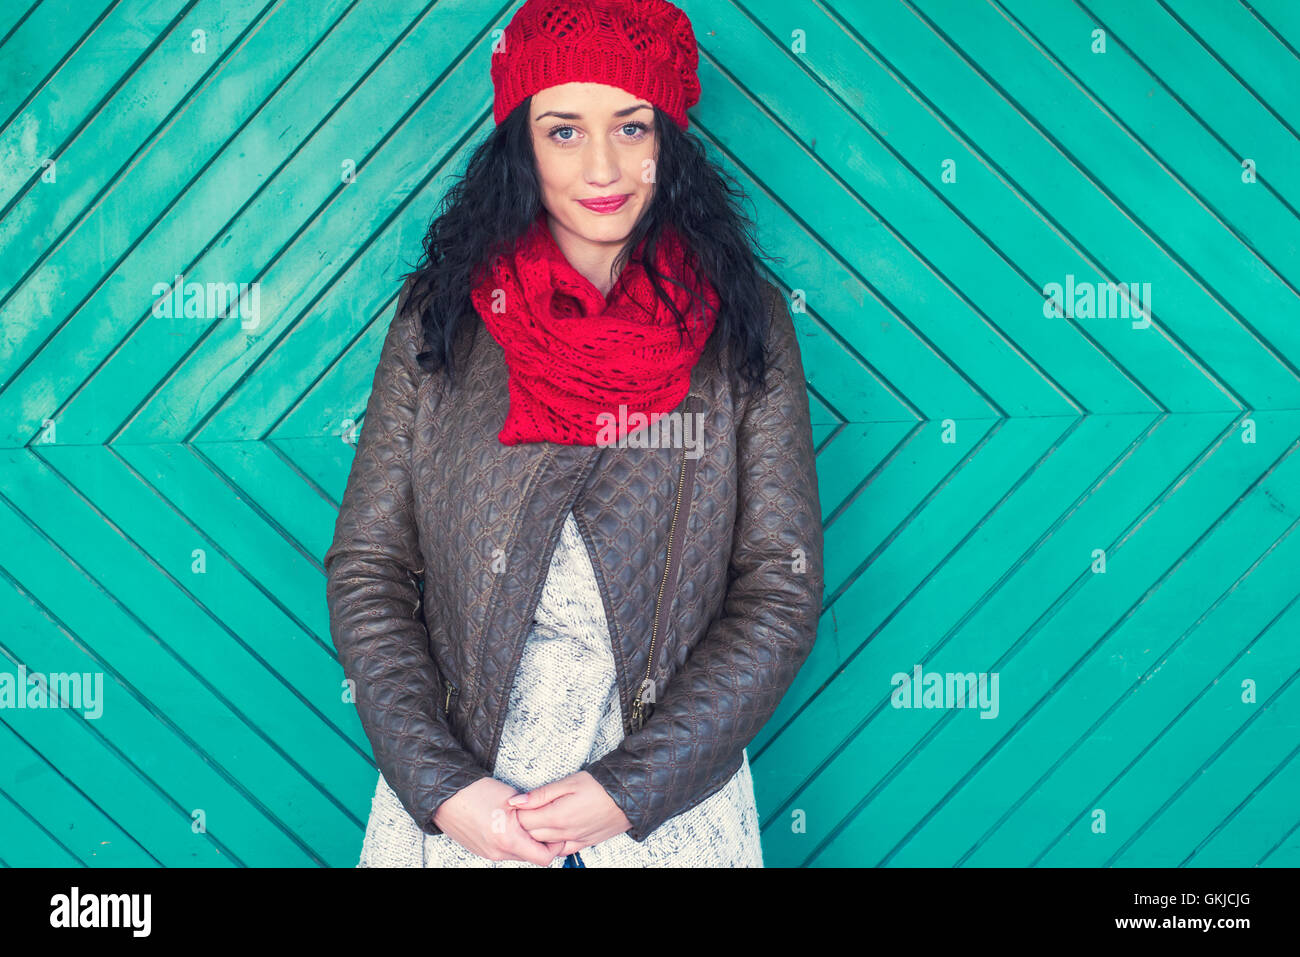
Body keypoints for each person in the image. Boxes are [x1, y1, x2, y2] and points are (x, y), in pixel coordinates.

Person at [324, 0, 823, 868]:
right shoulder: (440, 323)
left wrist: (628, 791)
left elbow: (777, 594)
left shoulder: (745, 325)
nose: (604, 167)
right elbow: (370, 569)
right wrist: (442, 788)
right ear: (521, 142)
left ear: (668, 137)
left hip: (670, 817)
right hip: (468, 814)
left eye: (632, 126)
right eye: (564, 131)